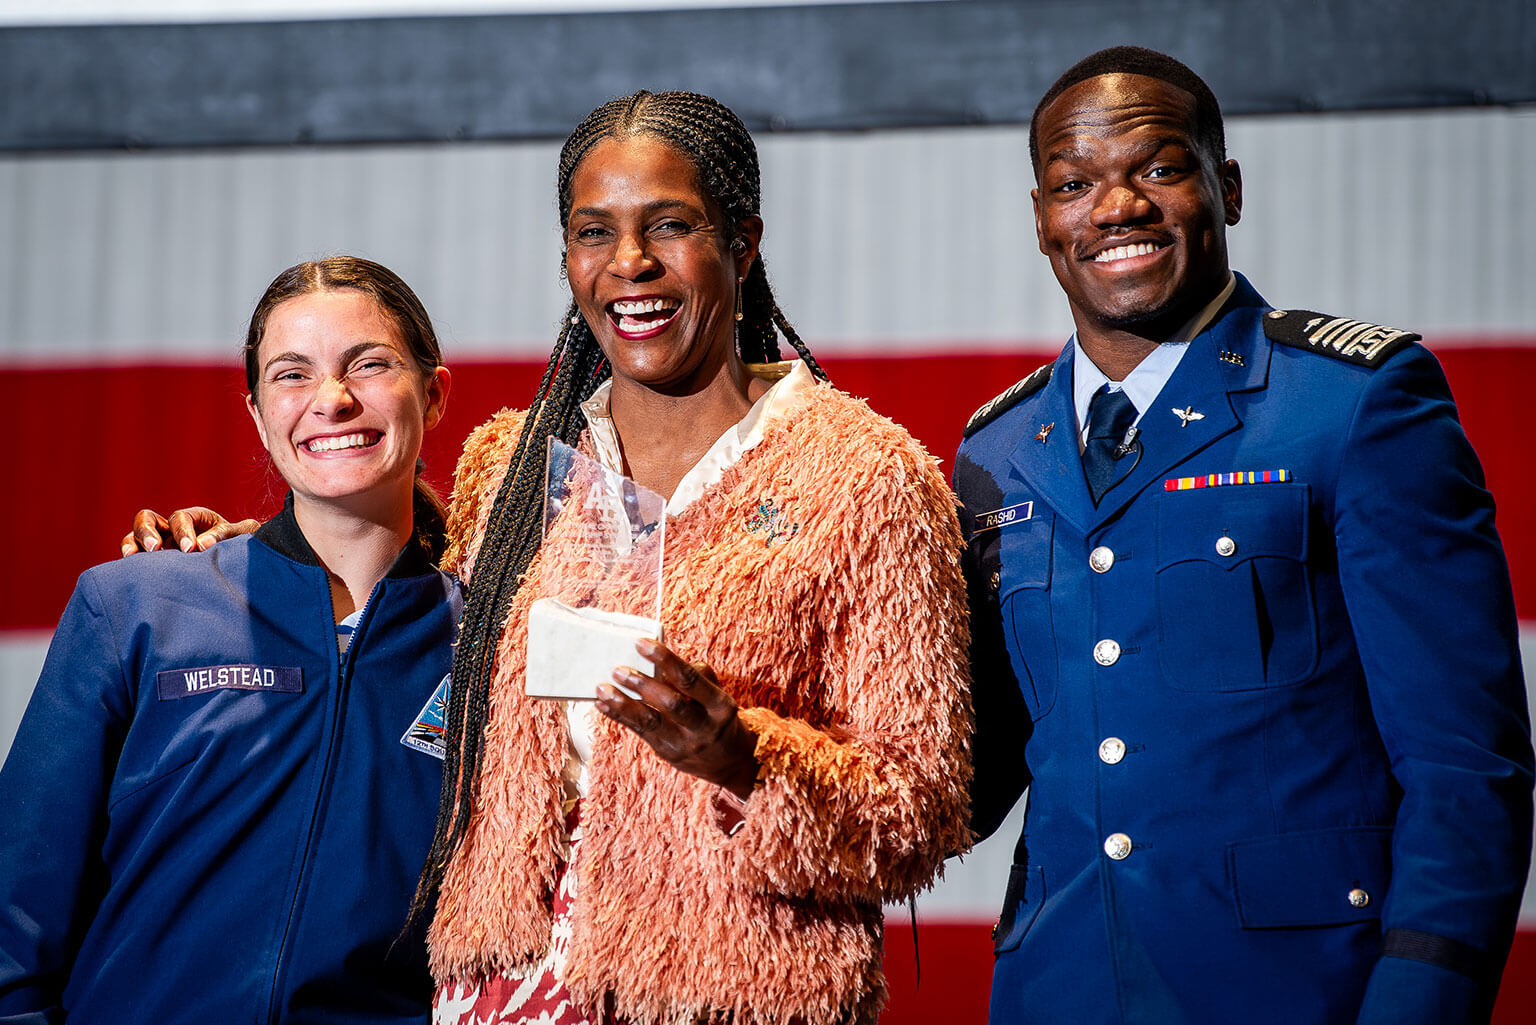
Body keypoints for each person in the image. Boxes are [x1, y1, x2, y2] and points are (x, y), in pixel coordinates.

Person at [125, 91, 973, 1025]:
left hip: (725, 997)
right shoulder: (514, 467)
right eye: (594, 231)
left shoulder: (866, 479)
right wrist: (251, 556)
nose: (630, 263)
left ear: (742, 240)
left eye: (670, 225)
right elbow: (403, 591)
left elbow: (920, 810)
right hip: (499, 992)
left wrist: (743, 759)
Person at [957, 45, 1534, 1025]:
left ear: (1225, 186)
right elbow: (977, 770)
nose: (1117, 206)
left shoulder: (1355, 402)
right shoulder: (998, 451)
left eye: (1159, 167)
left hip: (1302, 992)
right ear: (1042, 219)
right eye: (1074, 183)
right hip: (1058, 988)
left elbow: (1466, 770)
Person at [0, 256, 460, 1023]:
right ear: (255, 413)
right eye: (292, 375)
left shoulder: (491, 652)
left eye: (369, 364)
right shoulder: (135, 607)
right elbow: (16, 921)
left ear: (436, 393)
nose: (333, 400)